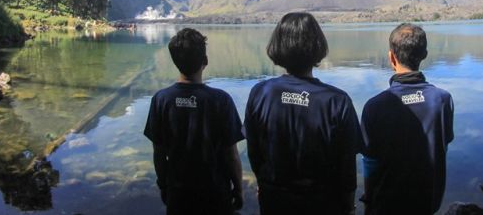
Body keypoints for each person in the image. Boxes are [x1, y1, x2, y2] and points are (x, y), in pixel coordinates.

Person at [244, 12, 362, 215]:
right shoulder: (337, 101)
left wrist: (263, 184)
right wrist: (348, 206)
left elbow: (254, 151)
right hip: (324, 204)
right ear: (317, 46)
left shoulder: (260, 93)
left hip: (275, 201)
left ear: (278, 45)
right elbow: (347, 168)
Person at [143, 28, 244, 215]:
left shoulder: (161, 99)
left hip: (178, 193)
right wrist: (238, 188)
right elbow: (231, 155)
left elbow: (159, 153)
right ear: (205, 62)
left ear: (175, 62)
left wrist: (164, 185)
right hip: (216, 193)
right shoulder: (221, 100)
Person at [360, 23, 454, 215]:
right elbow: (442, 145)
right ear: (425, 54)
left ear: (391, 57)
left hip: (386, 205)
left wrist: (368, 199)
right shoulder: (442, 100)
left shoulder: (375, 106)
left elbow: (370, 162)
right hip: (428, 202)